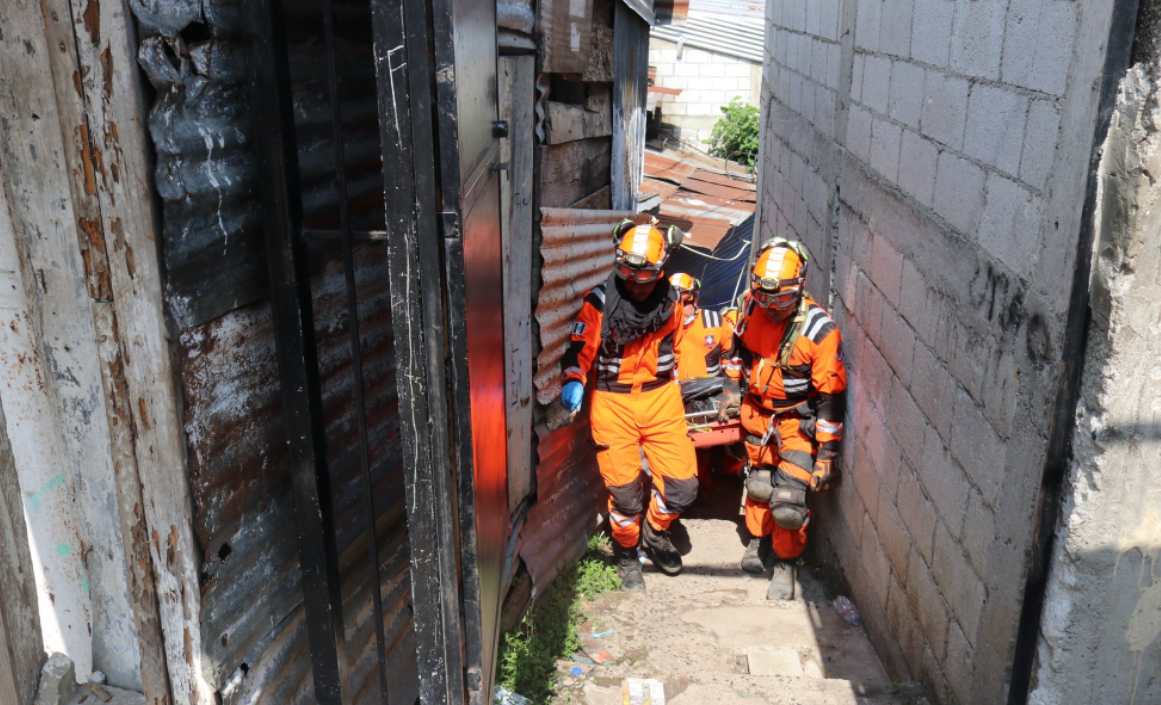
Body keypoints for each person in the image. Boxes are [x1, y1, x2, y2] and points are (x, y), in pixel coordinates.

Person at [559, 219, 698, 590]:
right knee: (624, 495)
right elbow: (579, 349)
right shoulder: (600, 301)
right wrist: (573, 379)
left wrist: (690, 387)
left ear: (660, 270)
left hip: (661, 399)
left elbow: (681, 348)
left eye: (644, 277)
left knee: (683, 487)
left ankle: (655, 532)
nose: (635, 284)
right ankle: (625, 553)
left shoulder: (673, 302)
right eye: (627, 274)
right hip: (613, 402)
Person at [722, 238, 847, 600]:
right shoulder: (751, 306)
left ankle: (786, 563)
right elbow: (736, 352)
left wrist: (827, 455)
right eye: (765, 298)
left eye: (780, 300)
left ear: (799, 287)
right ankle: (758, 540)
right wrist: (731, 391)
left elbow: (830, 396)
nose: (771, 307)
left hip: (796, 423)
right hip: (757, 414)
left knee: (789, 503)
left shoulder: (819, 331)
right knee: (759, 486)